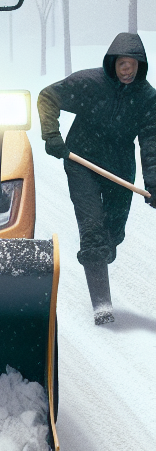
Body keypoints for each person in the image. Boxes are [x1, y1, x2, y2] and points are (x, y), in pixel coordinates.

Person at [37, 33, 156, 325]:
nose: (127, 70)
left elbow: (151, 143)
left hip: (119, 168)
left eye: (133, 64)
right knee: (92, 231)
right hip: (82, 162)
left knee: (112, 233)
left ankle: (103, 250)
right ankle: (102, 306)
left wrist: (154, 183)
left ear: (141, 65)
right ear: (112, 62)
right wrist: (52, 135)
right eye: (122, 63)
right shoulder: (90, 83)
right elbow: (48, 96)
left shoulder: (147, 98)